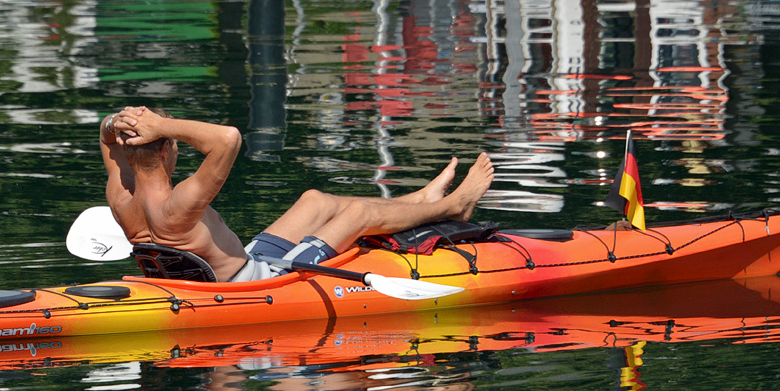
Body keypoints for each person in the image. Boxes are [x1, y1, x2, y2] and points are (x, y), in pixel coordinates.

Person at [100, 105, 494, 282]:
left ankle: (420, 201)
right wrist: (160, 125)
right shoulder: (181, 201)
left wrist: (119, 121)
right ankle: (454, 206)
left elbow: (105, 139)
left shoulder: (121, 200)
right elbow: (228, 139)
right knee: (356, 214)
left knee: (314, 201)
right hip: (260, 282)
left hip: (246, 263)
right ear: (168, 148)